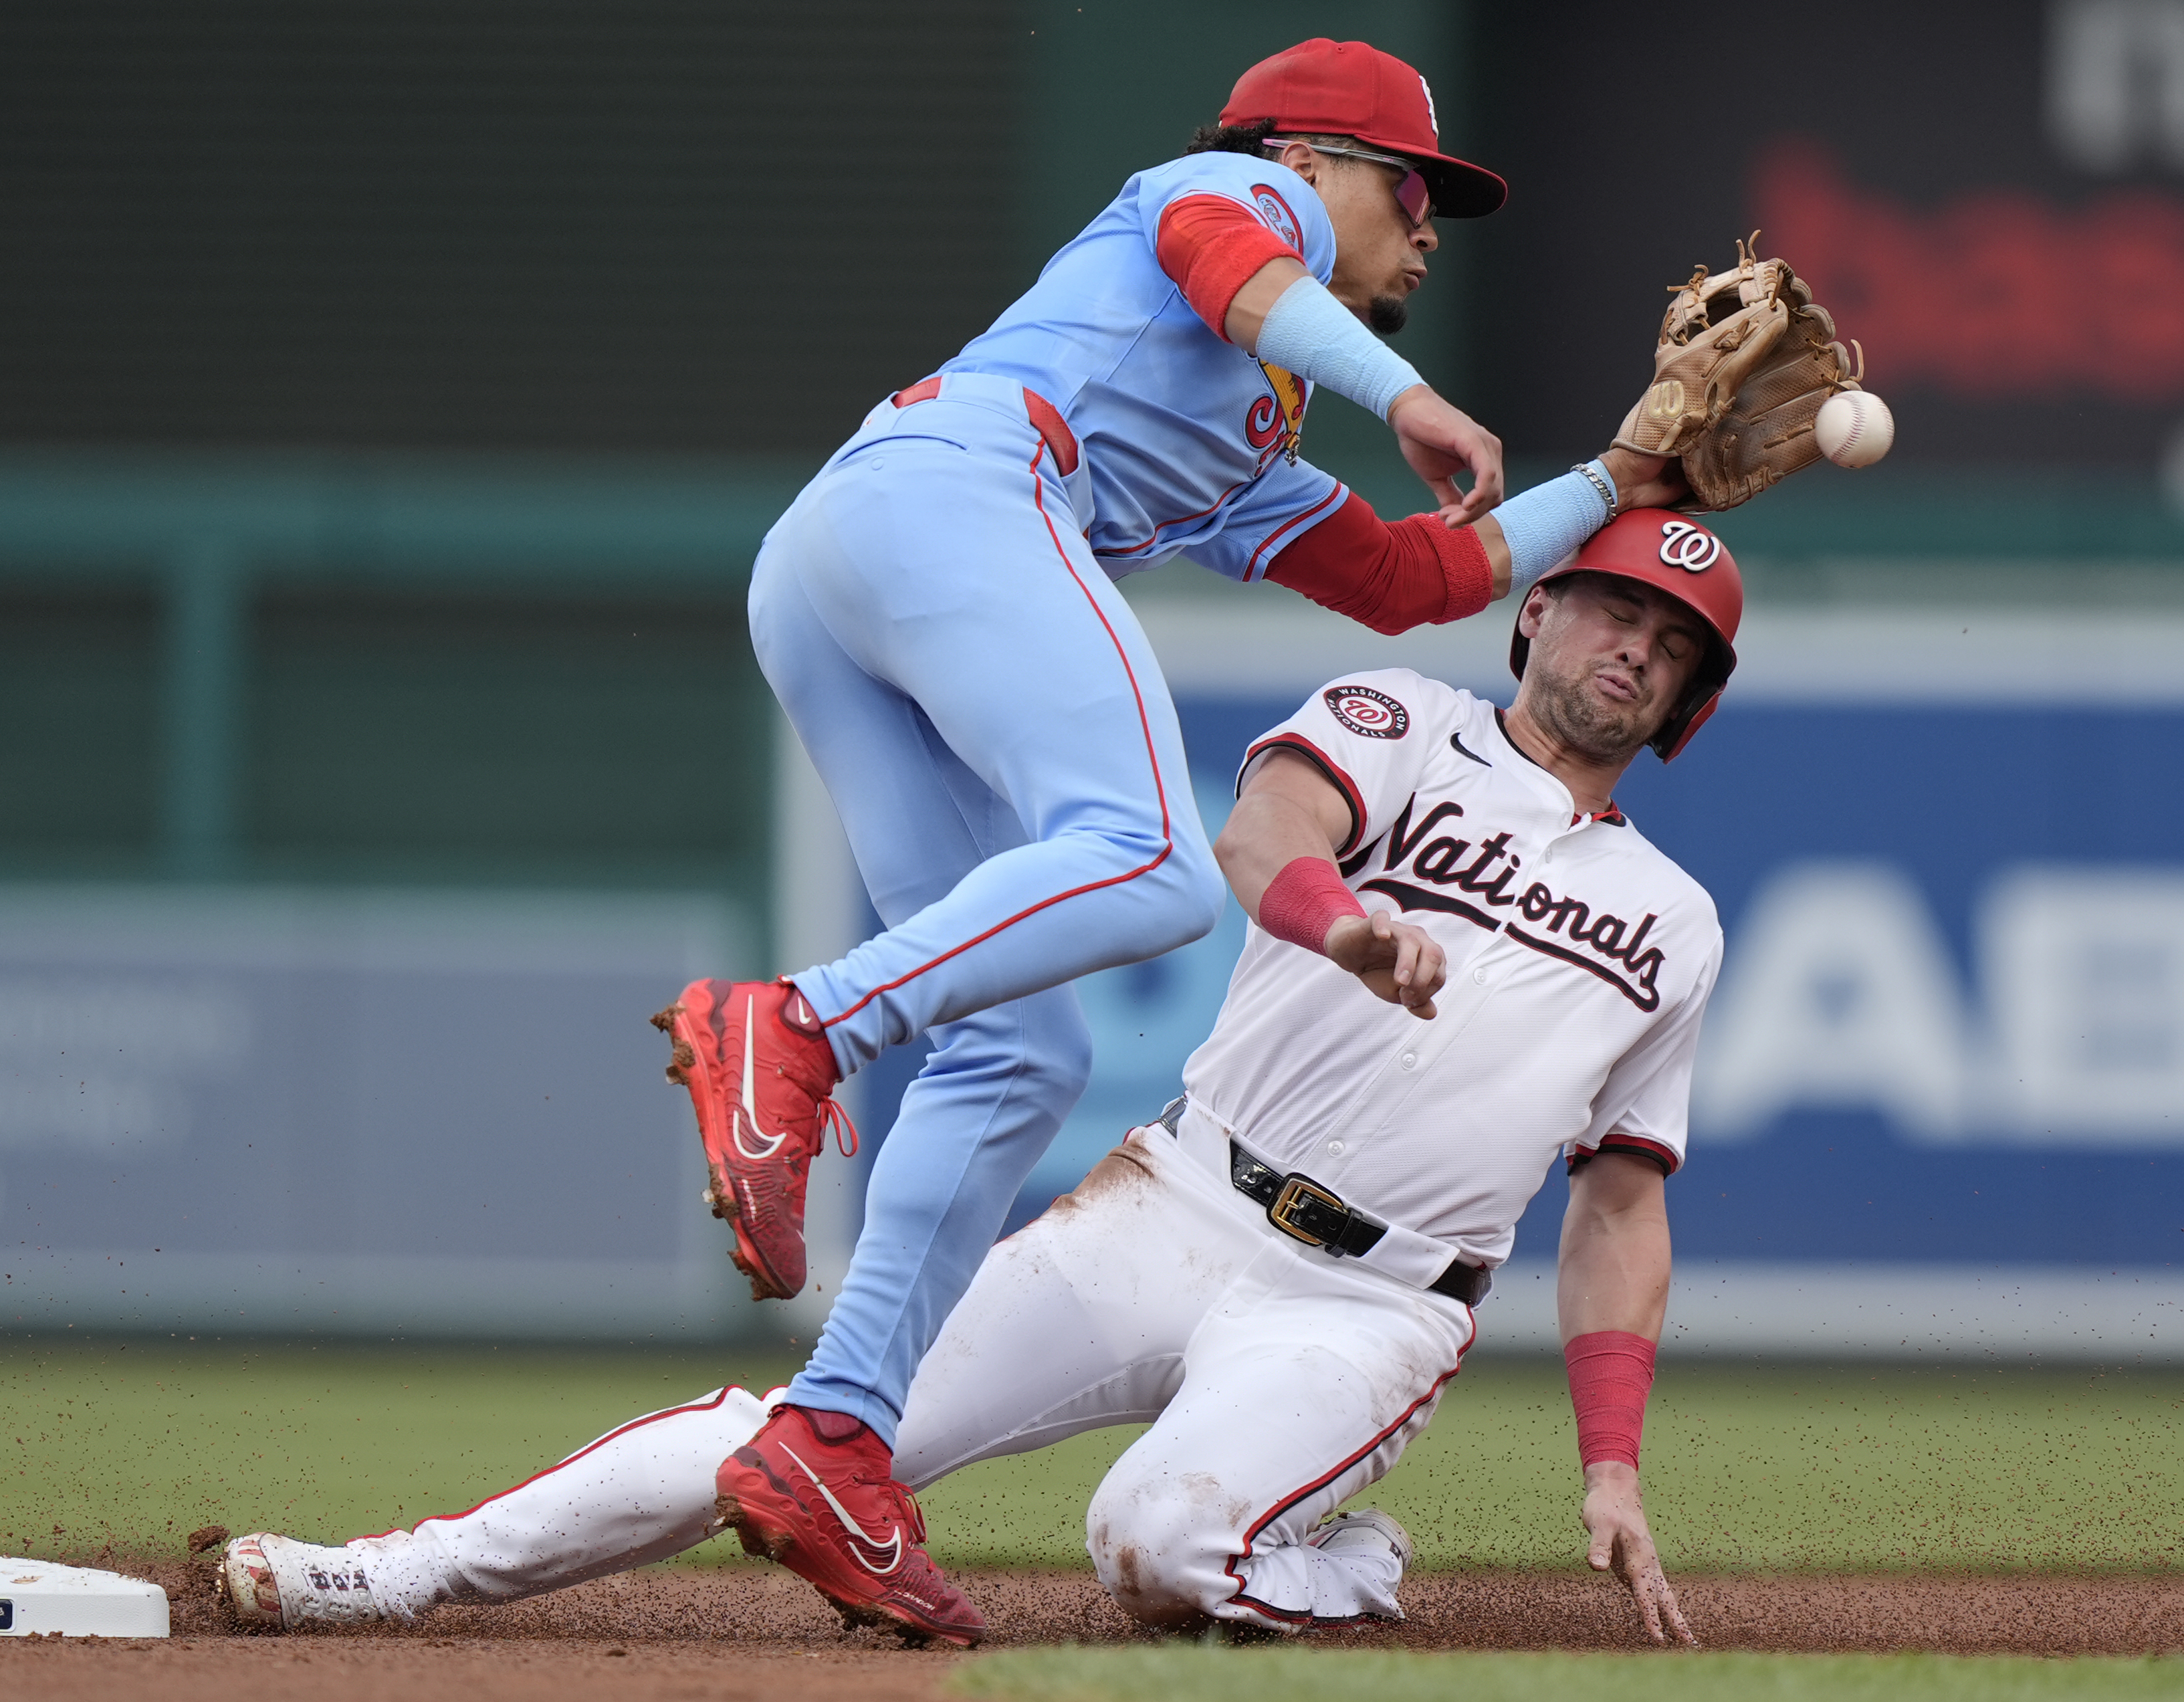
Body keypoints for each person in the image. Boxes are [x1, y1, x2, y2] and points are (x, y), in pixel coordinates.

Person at [221, 510, 1742, 1648]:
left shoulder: (1674, 922)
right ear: (1536, 610)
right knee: (811, 1438)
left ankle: (1337, 1556)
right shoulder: (1403, 719)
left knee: (1155, 1553)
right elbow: (1260, 839)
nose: (1635, 649)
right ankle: (402, 1568)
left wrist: (1611, 1465)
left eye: (1672, 646)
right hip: (1175, 1201)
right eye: (1616, 609)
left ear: (1686, 707)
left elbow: (1618, 1206)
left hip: (1371, 1302)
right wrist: (1344, 926)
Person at [642, 37, 1676, 1640]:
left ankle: (836, 1437)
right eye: (1411, 190)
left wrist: (1620, 476)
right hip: (967, 489)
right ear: (1314, 162)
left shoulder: (1240, 422)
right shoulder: (1219, 194)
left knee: (1018, 1055)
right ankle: (795, 1024)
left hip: (838, 560)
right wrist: (1401, 389)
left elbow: (1415, 583)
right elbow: (1235, 263)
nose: (1425, 229)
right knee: (1148, 860)